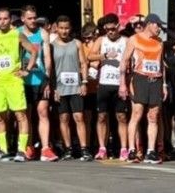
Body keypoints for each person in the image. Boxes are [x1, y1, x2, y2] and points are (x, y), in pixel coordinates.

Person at [0, 7, 38, 162]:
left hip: (14, 81)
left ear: (10, 19)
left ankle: (21, 151)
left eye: (5, 18)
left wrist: (26, 70)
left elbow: (33, 51)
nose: (2, 21)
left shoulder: (17, 34)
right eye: (0, 19)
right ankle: (3, 150)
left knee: (20, 115)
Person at [119, 13, 166, 164]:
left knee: (153, 115)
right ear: (149, 24)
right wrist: (122, 83)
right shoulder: (134, 39)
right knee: (137, 114)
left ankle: (151, 151)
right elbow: (124, 61)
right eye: (157, 25)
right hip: (139, 78)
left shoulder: (159, 42)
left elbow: (161, 64)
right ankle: (132, 150)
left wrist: (164, 84)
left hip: (156, 79)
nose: (159, 29)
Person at [88, 13, 129, 160]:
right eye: (107, 29)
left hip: (120, 84)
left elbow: (132, 57)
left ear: (118, 26)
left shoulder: (125, 40)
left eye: (112, 29)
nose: (110, 32)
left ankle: (124, 148)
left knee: (121, 116)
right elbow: (90, 56)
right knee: (102, 116)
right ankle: (102, 148)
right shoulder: (101, 40)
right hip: (104, 83)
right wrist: (104, 56)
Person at [18, 6, 56, 161]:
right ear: (23, 19)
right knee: (25, 116)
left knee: (43, 112)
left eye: (34, 18)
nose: (33, 21)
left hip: (39, 78)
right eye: (29, 18)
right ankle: (27, 146)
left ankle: (45, 148)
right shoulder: (17, 33)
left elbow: (47, 58)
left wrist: (47, 80)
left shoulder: (43, 33)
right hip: (22, 80)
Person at [51, 15, 91, 162]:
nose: (64, 31)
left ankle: (84, 149)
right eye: (61, 28)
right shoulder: (52, 45)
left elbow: (84, 63)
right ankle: (67, 149)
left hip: (76, 86)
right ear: (56, 28)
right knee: (63, 118)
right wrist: (53, 88)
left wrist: (84, 82)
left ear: (70, 28)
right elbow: (50, 68)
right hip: (60, 88)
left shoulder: (77, 43)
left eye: (66, 28)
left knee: (79, 117)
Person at [80, 22, 99, 153]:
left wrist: (91, 62)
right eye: (84, 37)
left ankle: (99, 145)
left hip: (99, 86)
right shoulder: (82, 47)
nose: (87, 40)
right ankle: (87, 145)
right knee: (87, 117)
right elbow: (82, 62)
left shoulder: (101, 45)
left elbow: (98, 63)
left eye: (89, 37)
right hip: (87, 86)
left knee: (101, 117)